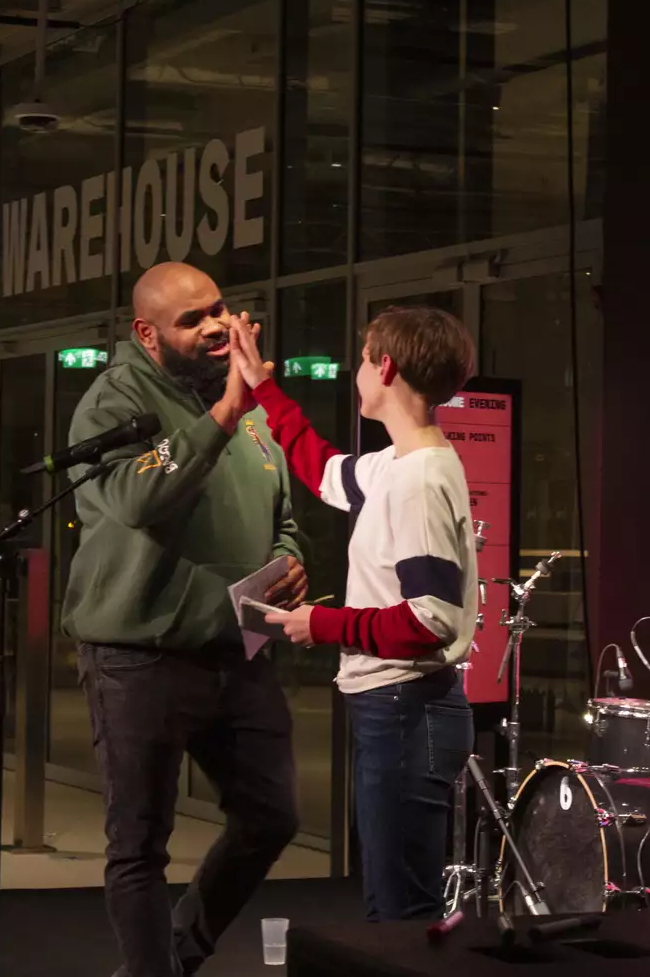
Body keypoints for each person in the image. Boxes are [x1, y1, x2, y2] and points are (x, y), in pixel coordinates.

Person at [63, 262, 307, 977]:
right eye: (192, 319)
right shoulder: (112, 402)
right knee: (139, 844)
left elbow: (283, 513)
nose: (215, 327)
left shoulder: (247, 398)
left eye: (219, 310)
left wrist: (291, 557)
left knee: (272, 816)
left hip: (239, 645)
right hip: (138, 655)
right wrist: (227, 409)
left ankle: (173, 956)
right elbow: (138, 501)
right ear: (146, 333)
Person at [226, 307, 478, 922]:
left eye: (364, 357)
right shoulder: (400, 464)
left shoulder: (417, 479)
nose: (357, 370)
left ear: (385, 366)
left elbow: (430, 621)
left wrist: (321, 624)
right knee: (394, 907)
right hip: (399, 710)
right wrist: (261, 385)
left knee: (400, 915)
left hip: (404, 710)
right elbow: (321, 470)